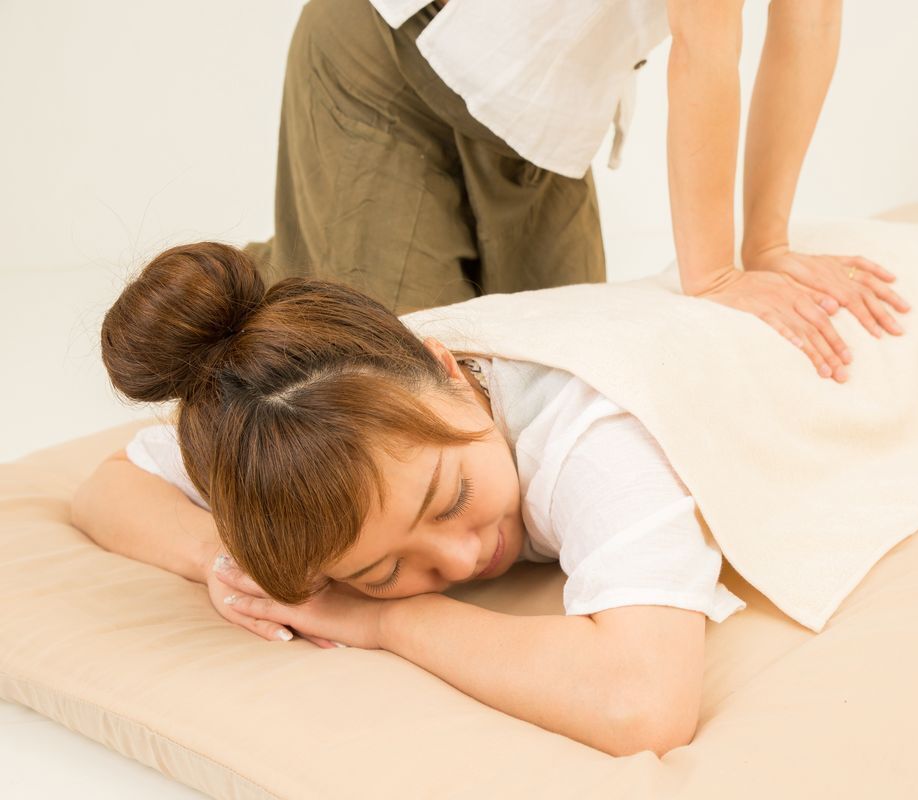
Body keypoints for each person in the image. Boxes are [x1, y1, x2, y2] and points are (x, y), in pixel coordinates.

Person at [73, 242, 747, 757]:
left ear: (449, 371)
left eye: (451, 498)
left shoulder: (594, 437)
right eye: (383, 573)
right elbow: (106, 487)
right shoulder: (282, 423)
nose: (460, 561)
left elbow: (641, 705)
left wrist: (383, 619)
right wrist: (229, 563)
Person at [247, 0, 909, 383]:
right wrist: (715, 279)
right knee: (396, 393)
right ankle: (265, 274)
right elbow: (706, 49)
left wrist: (769, 244)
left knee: (554, 390)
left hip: (536, 124)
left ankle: (311, 242)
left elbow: (811, 26)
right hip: (390, 63)